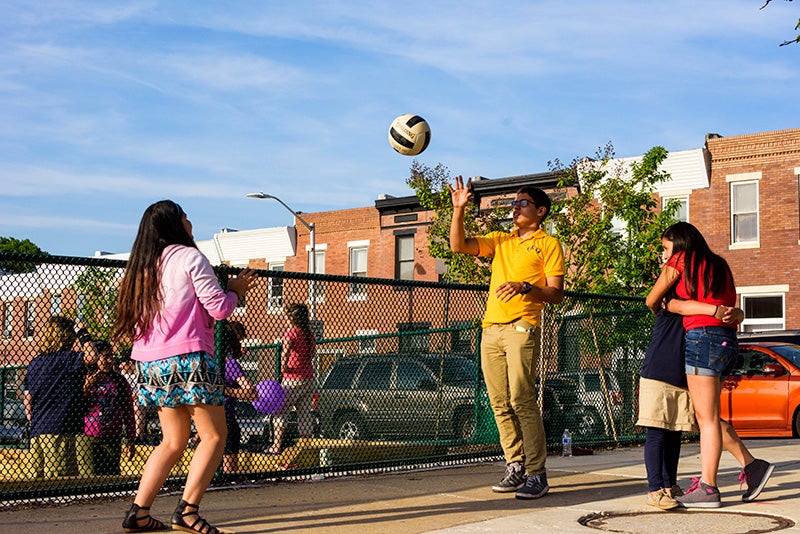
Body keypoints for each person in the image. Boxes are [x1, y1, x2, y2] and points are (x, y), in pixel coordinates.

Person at [113, 200, 256, 534]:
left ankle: (139, 512)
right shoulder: (191, 257)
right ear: (175, 226)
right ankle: (188, 511)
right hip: (189, 358)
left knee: (172, 441)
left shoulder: (139, 270)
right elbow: (220, 309)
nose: (191, 222)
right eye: (185, 217)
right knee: (214, 435)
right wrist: (235, 290)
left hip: (151, 364)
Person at [448, 176, 564, 500]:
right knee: (498, 402)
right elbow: (458, 246)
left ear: (541, 211)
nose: (515, 208)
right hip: (491, 329)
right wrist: (458, 210)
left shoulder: (549, 245)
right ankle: (515, 465)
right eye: (513, 203)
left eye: (522, 203)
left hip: (522, 325)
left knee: (522, 399)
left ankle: (537, 474)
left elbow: (556, 294)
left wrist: (526, 286)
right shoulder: (501, 240)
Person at [646, 221, 773, 508]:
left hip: (701, 338)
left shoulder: (681, 260)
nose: (664, 255)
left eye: (665, 248)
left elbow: (651, 299)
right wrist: (723, 312)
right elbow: (732, 309)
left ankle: (708, 487)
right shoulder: (720, 264)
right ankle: (752, 466)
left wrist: (670, 302)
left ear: (678, 245)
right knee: (708, 414)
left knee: (705, 420)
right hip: (727, 341)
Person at [22, 316, 98, 478]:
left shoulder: (35, 362)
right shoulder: (67, 358)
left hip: (38, 430)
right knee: (59, 481)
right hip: (61, 429)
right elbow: (92, 356)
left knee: (37, 482)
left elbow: (27, 399)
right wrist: (83, 333)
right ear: (66, 335)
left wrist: (33, 418)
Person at [77, 340, 136, 477]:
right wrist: (87, 386)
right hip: (87, 435)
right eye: (105, 357)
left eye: (111, 356)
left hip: (112, 435)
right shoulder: (83, 376)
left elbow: (128, 410)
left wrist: (130, 438)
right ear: (95, 357)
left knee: (111, 476)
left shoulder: (119, 381)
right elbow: (74, 405)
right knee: (89, 477)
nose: (109, 360)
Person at [267, 303, 316, 455]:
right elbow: (313, 353)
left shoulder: (291, 333)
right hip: (308, 377)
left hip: (292, 378)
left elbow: (285, 351)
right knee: (305, 412)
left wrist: (284, 367)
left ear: (291, 319)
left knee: (281, 410)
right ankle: (306, 443)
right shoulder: (308, 334)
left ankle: (276, 445)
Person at [221, 320, 256, 474]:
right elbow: (251, 392)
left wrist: (225, 390)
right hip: (217, 418)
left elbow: (250, 392)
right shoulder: (226, 363)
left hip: (219, 417)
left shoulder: (226, 364)